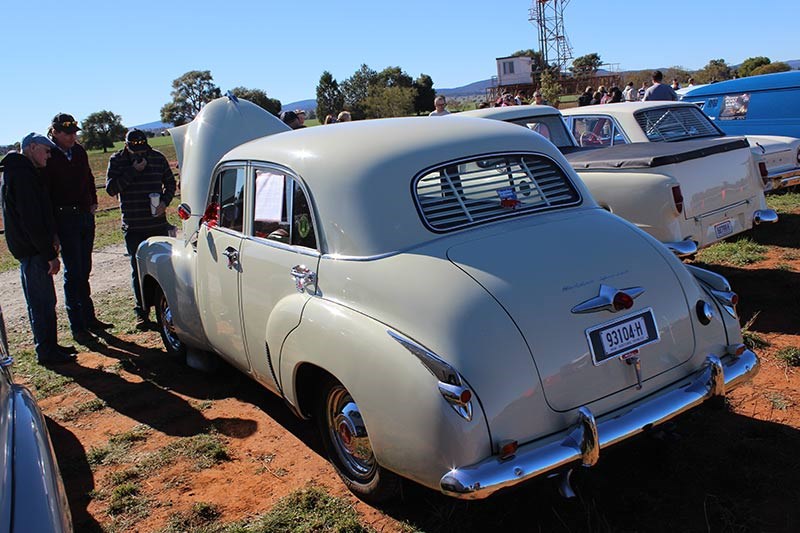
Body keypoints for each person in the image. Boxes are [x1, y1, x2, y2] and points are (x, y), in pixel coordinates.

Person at [1, 134, 76, 364]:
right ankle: (46, 351)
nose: (49, 155)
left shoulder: (22, 172)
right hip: (33, 252)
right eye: (46, 150)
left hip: (33, 250)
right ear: (31, 148)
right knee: (41, 303)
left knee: (45, 301)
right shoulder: (22, 176)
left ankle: (49, 346)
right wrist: (50, 254)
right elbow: (31, 220)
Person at [43, 113, 112, 345]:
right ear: (55, 132)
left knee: (85, 268)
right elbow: (46, 192)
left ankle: (89, 317)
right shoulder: (48, 154)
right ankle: (78, 326)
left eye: (74, 132)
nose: (73, 136)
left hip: (84, 215)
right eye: (67, 133)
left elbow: (90, 178)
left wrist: (93, 200)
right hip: (64, 217)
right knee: (73, 272)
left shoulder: (79, 151)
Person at [106, 129, 176, 329]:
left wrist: (164, 201)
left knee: (164, 267)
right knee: (138, 270)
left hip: (157, 223)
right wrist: (132, 172)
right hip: (134, 225)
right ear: (126, 146)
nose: (140, 154)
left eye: (143, 149)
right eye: (135, 150)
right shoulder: (117, 160)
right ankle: (142, 312)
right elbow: (111, 189)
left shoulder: (157, 158)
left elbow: (170, 183)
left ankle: (167, 308)